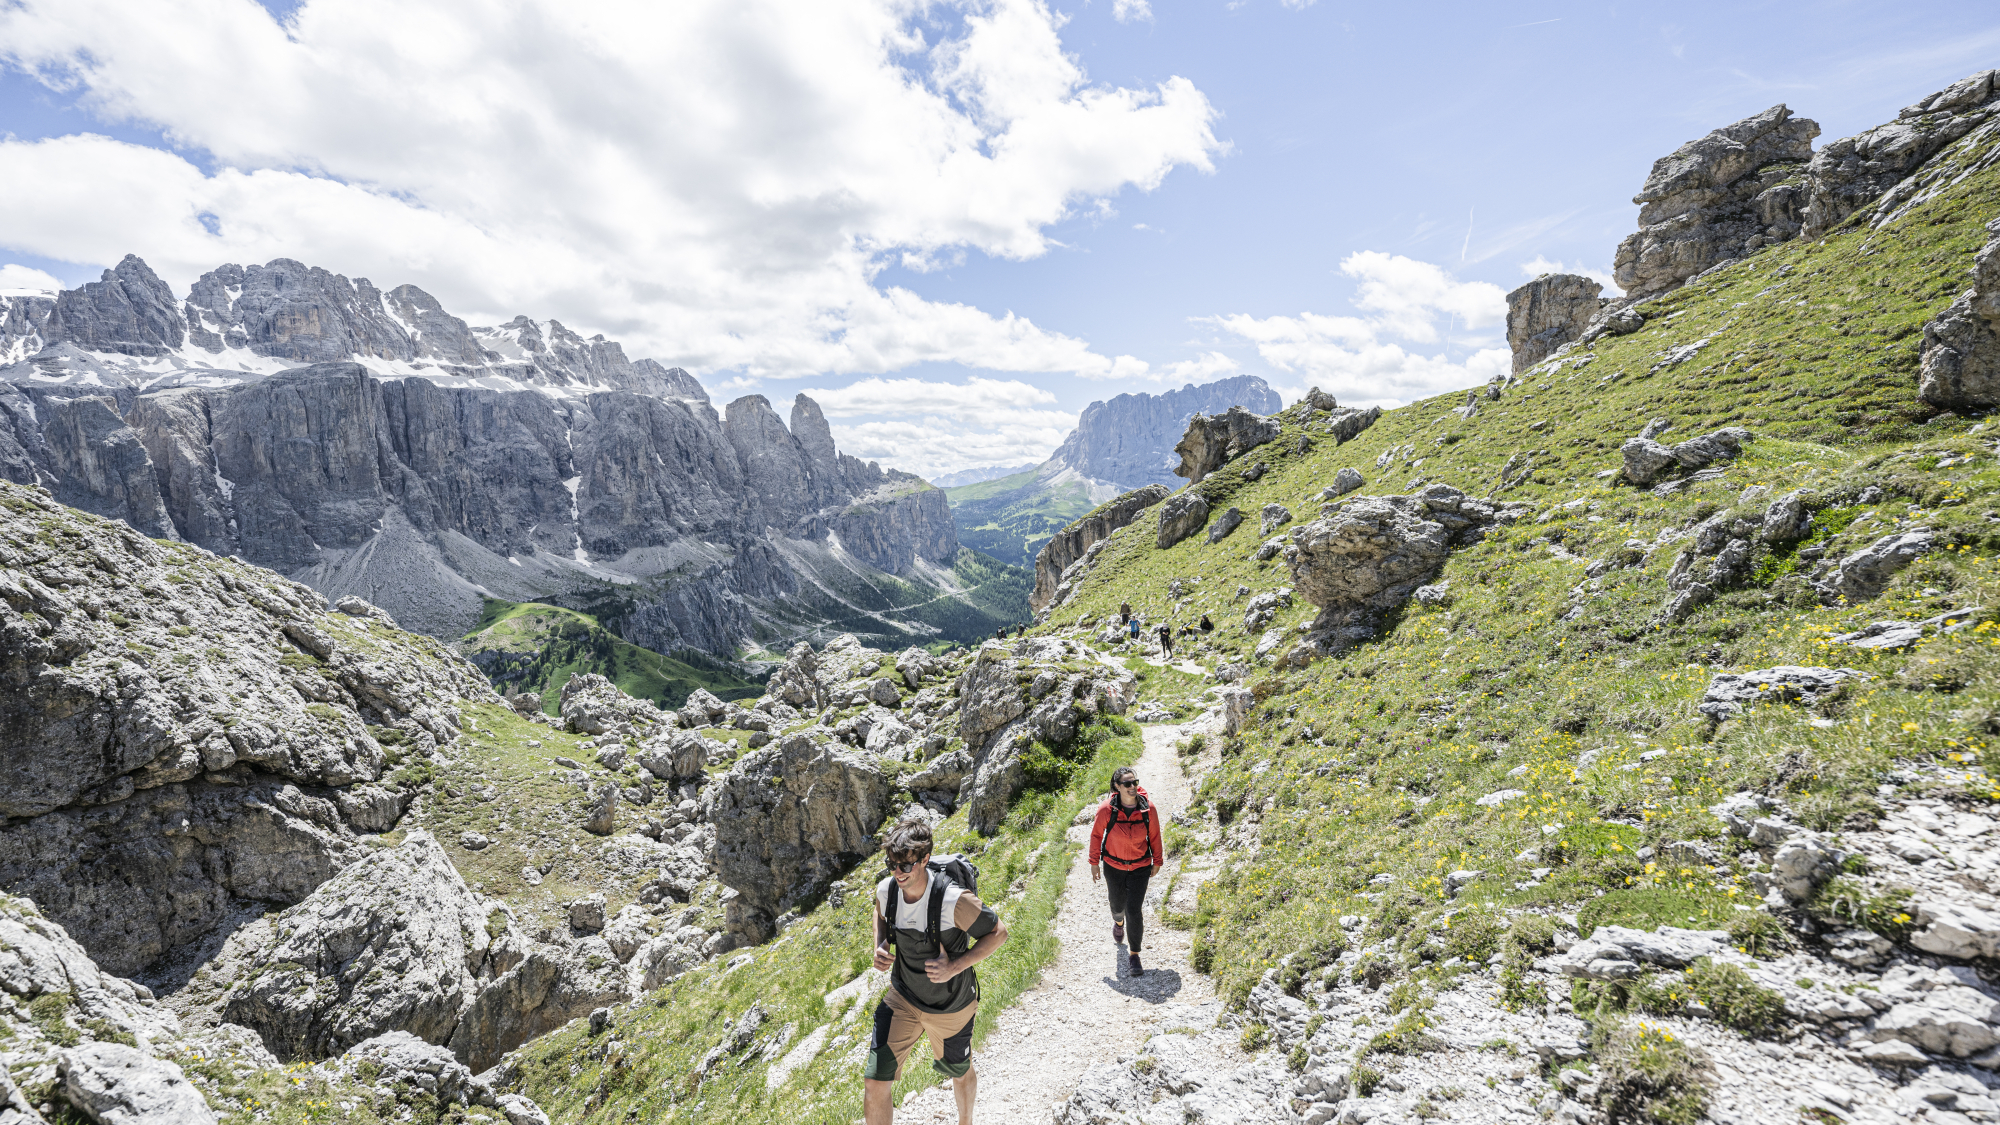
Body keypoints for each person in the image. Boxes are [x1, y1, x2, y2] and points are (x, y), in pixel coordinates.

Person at [866, 819, 1009, 1125]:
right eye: (891, 864)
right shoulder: (886, 890)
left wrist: (956, 966)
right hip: (903, 997)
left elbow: (998, 933)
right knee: (875, 1079)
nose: (897, 873)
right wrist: (880, 945)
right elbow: (878, 913)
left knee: (959, 1071)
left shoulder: (953, 899)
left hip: (951, 1004)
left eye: (905, 866)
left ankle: (965, 1121)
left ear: (925, 860)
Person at [1089, 766, 1164, 977]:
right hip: (1113, 866)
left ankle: (1134, 955)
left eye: (1135, 782)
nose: (1133, 787)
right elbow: (1096, 836)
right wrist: (1094, 862)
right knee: (1117, 904)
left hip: (1140, 866)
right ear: (1117, 787)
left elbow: (1155, 836)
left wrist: (1157, 861)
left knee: (1134, 910)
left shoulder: (1148, 808)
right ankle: (1118, 922)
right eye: (1127, 784)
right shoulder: (1107, 809)